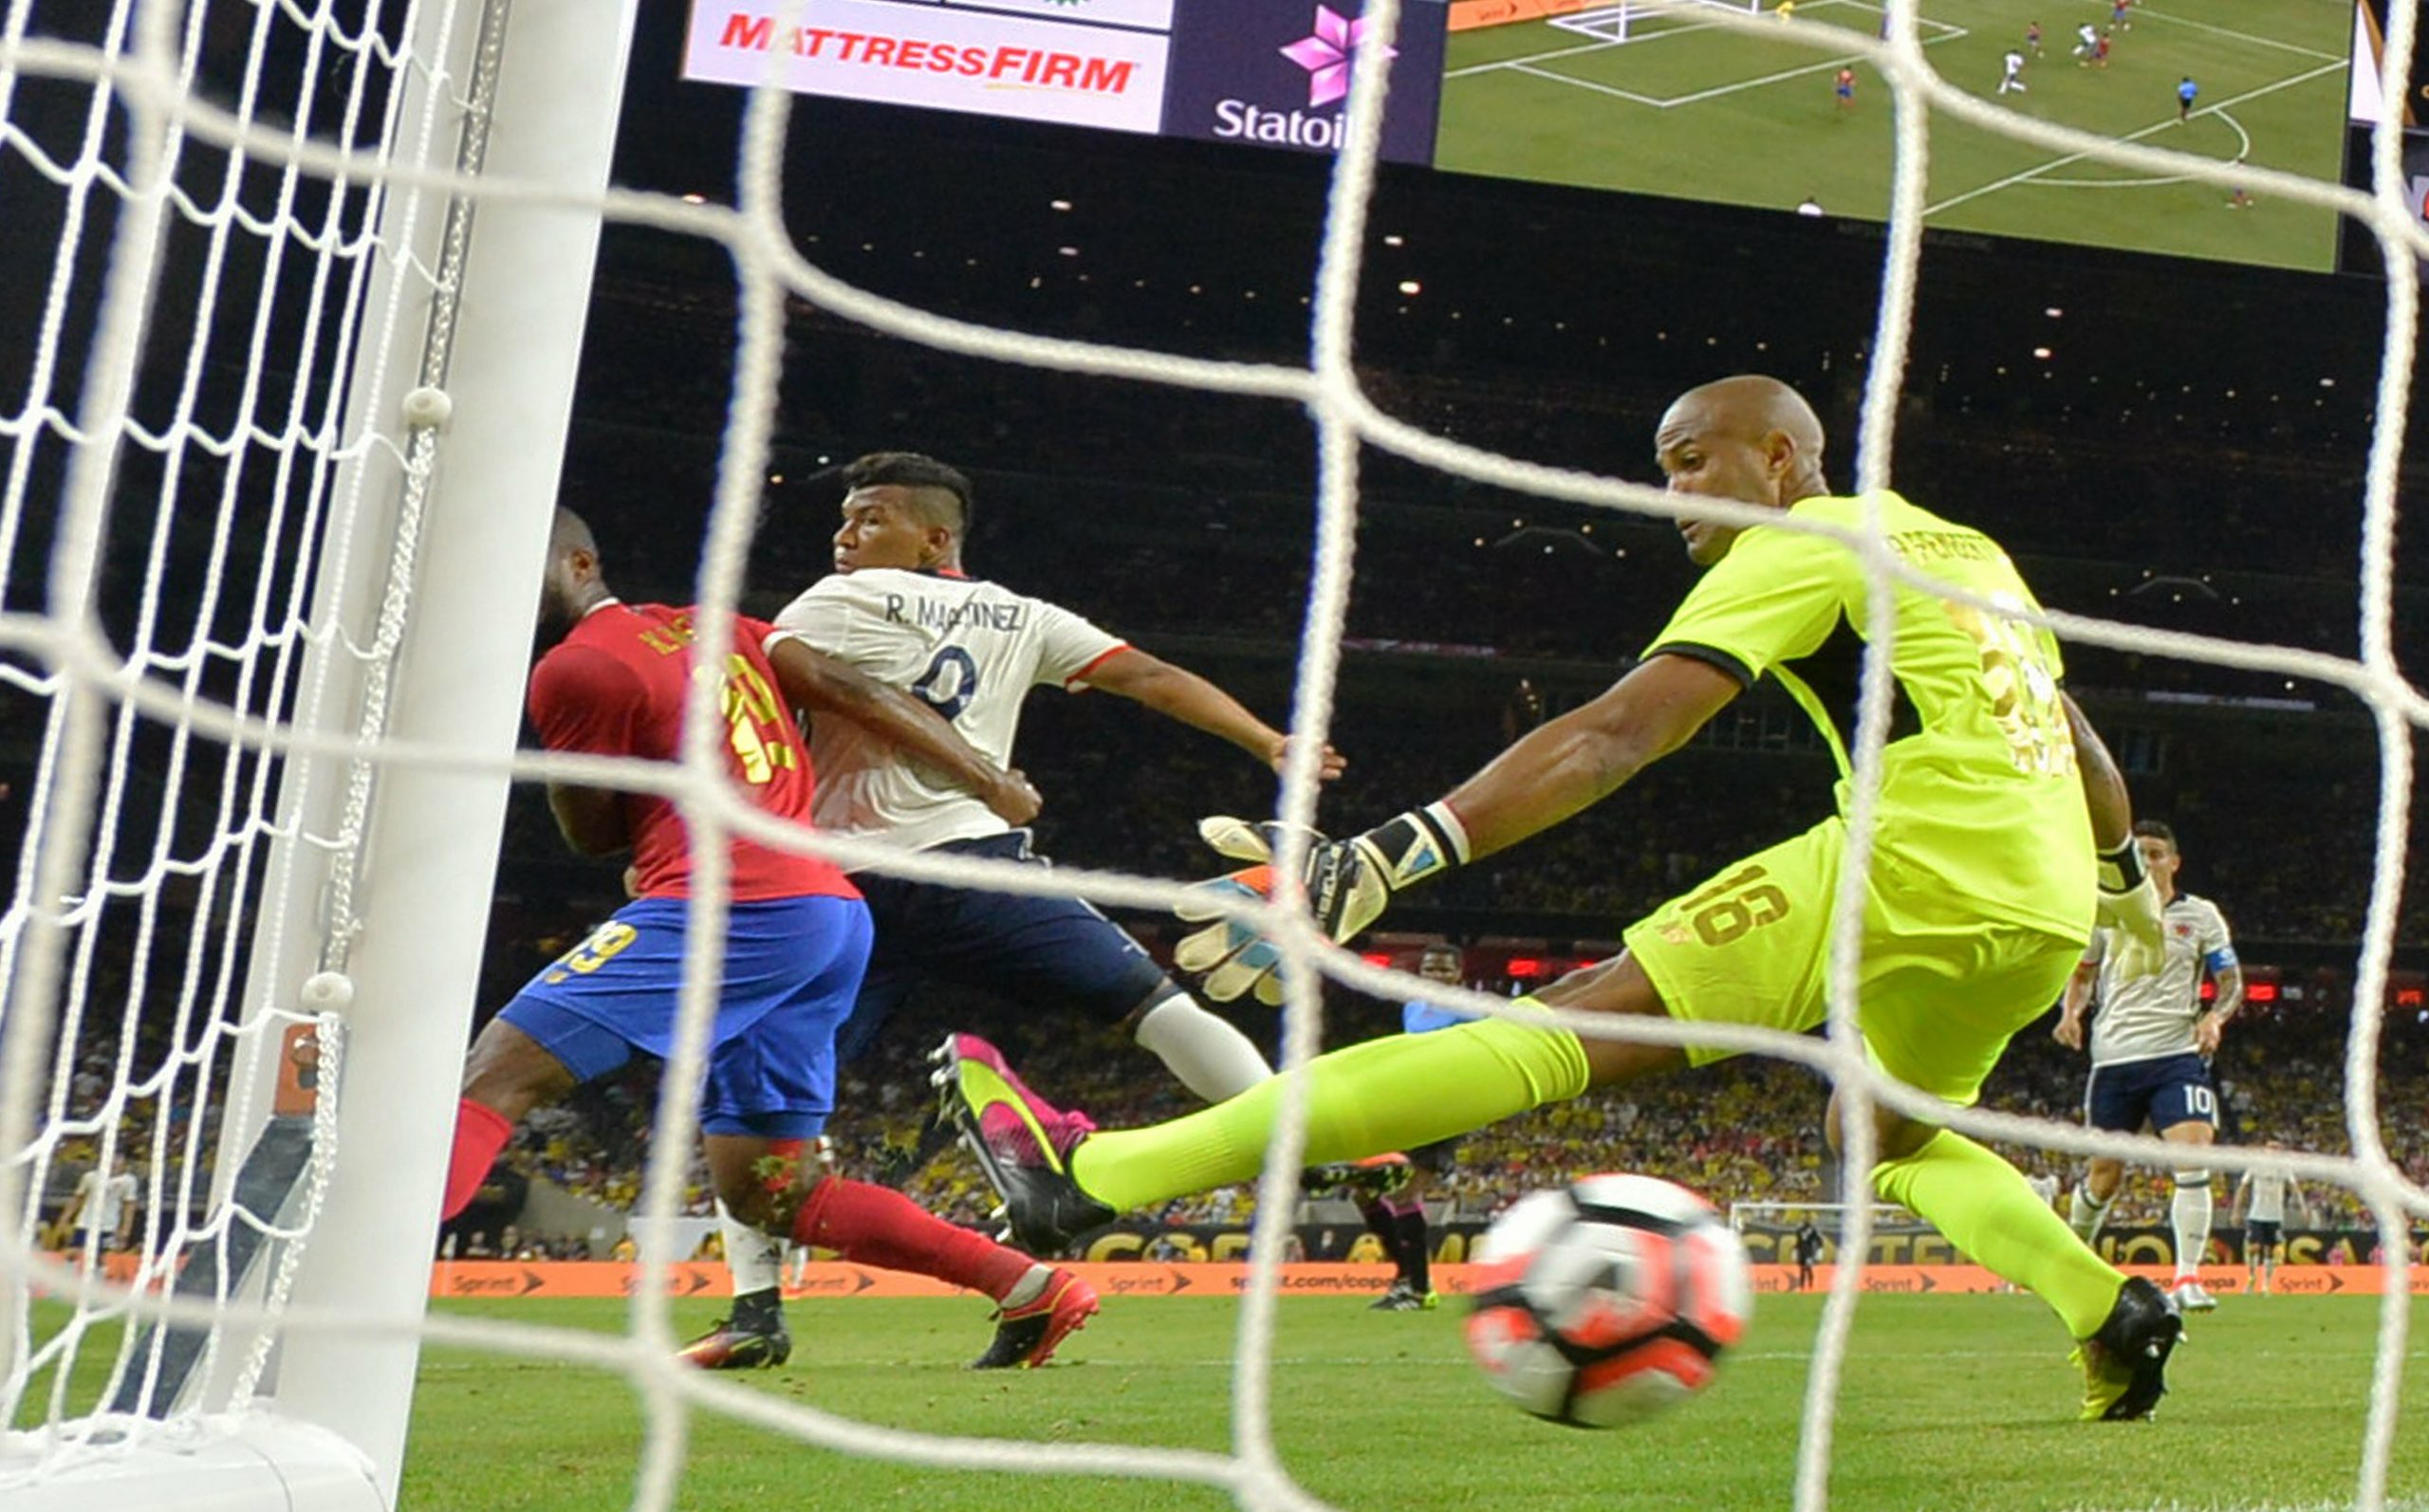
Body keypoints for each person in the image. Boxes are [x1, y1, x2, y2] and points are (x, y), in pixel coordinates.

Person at [942, 375, 2187, 1422]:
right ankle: (2108, 1307)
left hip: (1916, 851)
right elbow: (2074, 742)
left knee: (1571, 1025)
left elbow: (1619, 735)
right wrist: (2123, 883)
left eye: (1695, 461)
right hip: (2039, 902)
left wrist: (1394, 852)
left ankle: (1097, 1178)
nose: (1675, 491)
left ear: (1780, 455)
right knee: (1886, 1136)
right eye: (1663, 468)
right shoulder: (1970, 553)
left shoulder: (1806, 535)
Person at [686, 452, 1340, 1370]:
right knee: (1154, 1008)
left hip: (843, 891)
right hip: (974, 870)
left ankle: (756, 1313)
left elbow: (818, 691)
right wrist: (1266, 739)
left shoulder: (829, 606)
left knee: (753, 1108)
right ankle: (1310, 1141)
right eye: (842, 519)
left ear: (934, 536)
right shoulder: (1027, 617)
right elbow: (1148, 677)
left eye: (868, 518)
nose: (843, 536)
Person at [436, 509, 1098, 1374]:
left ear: (580, 563)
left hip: (731, 905)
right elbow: (853, 692)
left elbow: (594, 833)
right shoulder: (722, 627)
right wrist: (986, 778)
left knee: (497, 1072)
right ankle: (1026, 1286)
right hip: (825, 914)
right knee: (770, 1188)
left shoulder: (574, 670)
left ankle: (327, 1299)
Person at [2054, 820, 2240, 1313]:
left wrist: (2214, 1017)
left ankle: (2187, 1279)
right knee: (2103, 1175)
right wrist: (2070, 1013)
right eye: (2139, 854)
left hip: (2175, 1056)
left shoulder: (2199, 916)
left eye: (2157, 853)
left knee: (2193, 1154)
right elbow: (2081, 975)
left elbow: (2231, 980)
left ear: (2174, 861)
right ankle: (2071, 1263)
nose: (2149, 862)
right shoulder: (2106, 915)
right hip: (2114, 1059)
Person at [1301, 942, 1476, 1310]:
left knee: (1402, 1193)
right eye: (1431, 969)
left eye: (1445, 970)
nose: (1437, 976)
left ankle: (1419, 1288)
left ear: (1459, 975)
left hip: (1447, 1109)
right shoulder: (1414, 1006)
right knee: (1366, 1192)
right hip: (1409, 1106)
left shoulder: (1472, 1011)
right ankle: (1404, 1278)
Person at [2232, 1142, 2306, 1296]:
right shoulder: (2256, 1166)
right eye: (2271, 1148)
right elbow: (2243, 1187)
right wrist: (2236, 1211)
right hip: (2256, 1214)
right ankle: (2251, 1278)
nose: (2274, 1151)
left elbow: (2294, 1188)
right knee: (2253, 1248)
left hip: (2275, 1215)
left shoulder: (2284, 1168)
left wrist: (2302, 1207)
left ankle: (2266, 1284)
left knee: (2270, 1251)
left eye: (2277, 1149)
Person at [53, 1156, 140, 1257]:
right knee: (77, 1255)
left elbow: (129, 1206)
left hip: (109, 1227)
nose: (114, 1162)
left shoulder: (129, 1180)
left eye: (117, 1158)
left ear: (124, 1162)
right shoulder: (90, 1176)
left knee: (105, 1258)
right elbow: (77, 1199)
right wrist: (63, 1220)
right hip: (85, 1224)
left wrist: (126, 1230)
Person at [1793, 1219, 1824, 1291]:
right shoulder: (1812, 1230)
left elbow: (1798, 1242)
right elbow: (1819, 1240)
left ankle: (1805, 1286)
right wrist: (1819, 1250)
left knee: (1804, 1269)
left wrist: (1795, 1251)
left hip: (1803, 1252)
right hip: (1807, 1252)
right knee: (1806, 1269)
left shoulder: (1800, 1230)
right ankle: (1808, 1286)